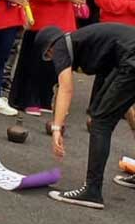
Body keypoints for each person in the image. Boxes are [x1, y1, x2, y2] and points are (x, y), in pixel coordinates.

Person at [39, 23, 135, 208]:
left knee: (101, 123)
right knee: (102, 117)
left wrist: (57, 128)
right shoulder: (91, 44)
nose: (53, 61)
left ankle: (92, 191)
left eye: (48, 56)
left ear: (49, 47)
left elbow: (66, 88)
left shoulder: (61, 46)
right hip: (129, 60)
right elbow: (115, 91)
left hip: (131, 61)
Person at [10, 0, 85, 116]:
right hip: (43, 22)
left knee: (55, 65)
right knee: (35, 63)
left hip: (64, 21)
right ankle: (28, 99)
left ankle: (45, 97)